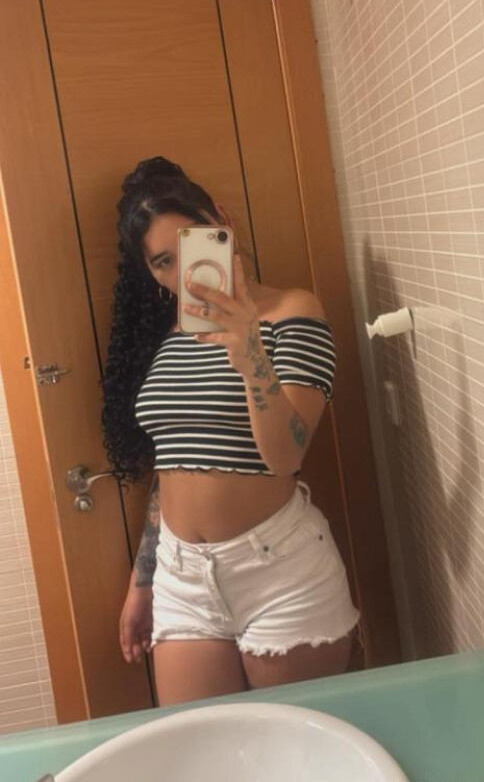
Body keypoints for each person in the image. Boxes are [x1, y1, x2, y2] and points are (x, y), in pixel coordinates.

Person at [102, 156, 360, 706]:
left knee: (293, 746)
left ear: (221, 221)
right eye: (164, 262)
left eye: (192, 246)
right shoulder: (170, 339)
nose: (185, 274)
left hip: (278, 571)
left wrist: (251, 354)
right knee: (202, 745)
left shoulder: (293, 311)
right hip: (180, 577)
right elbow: (171, 465)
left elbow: (287, 456)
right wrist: (142, 580)